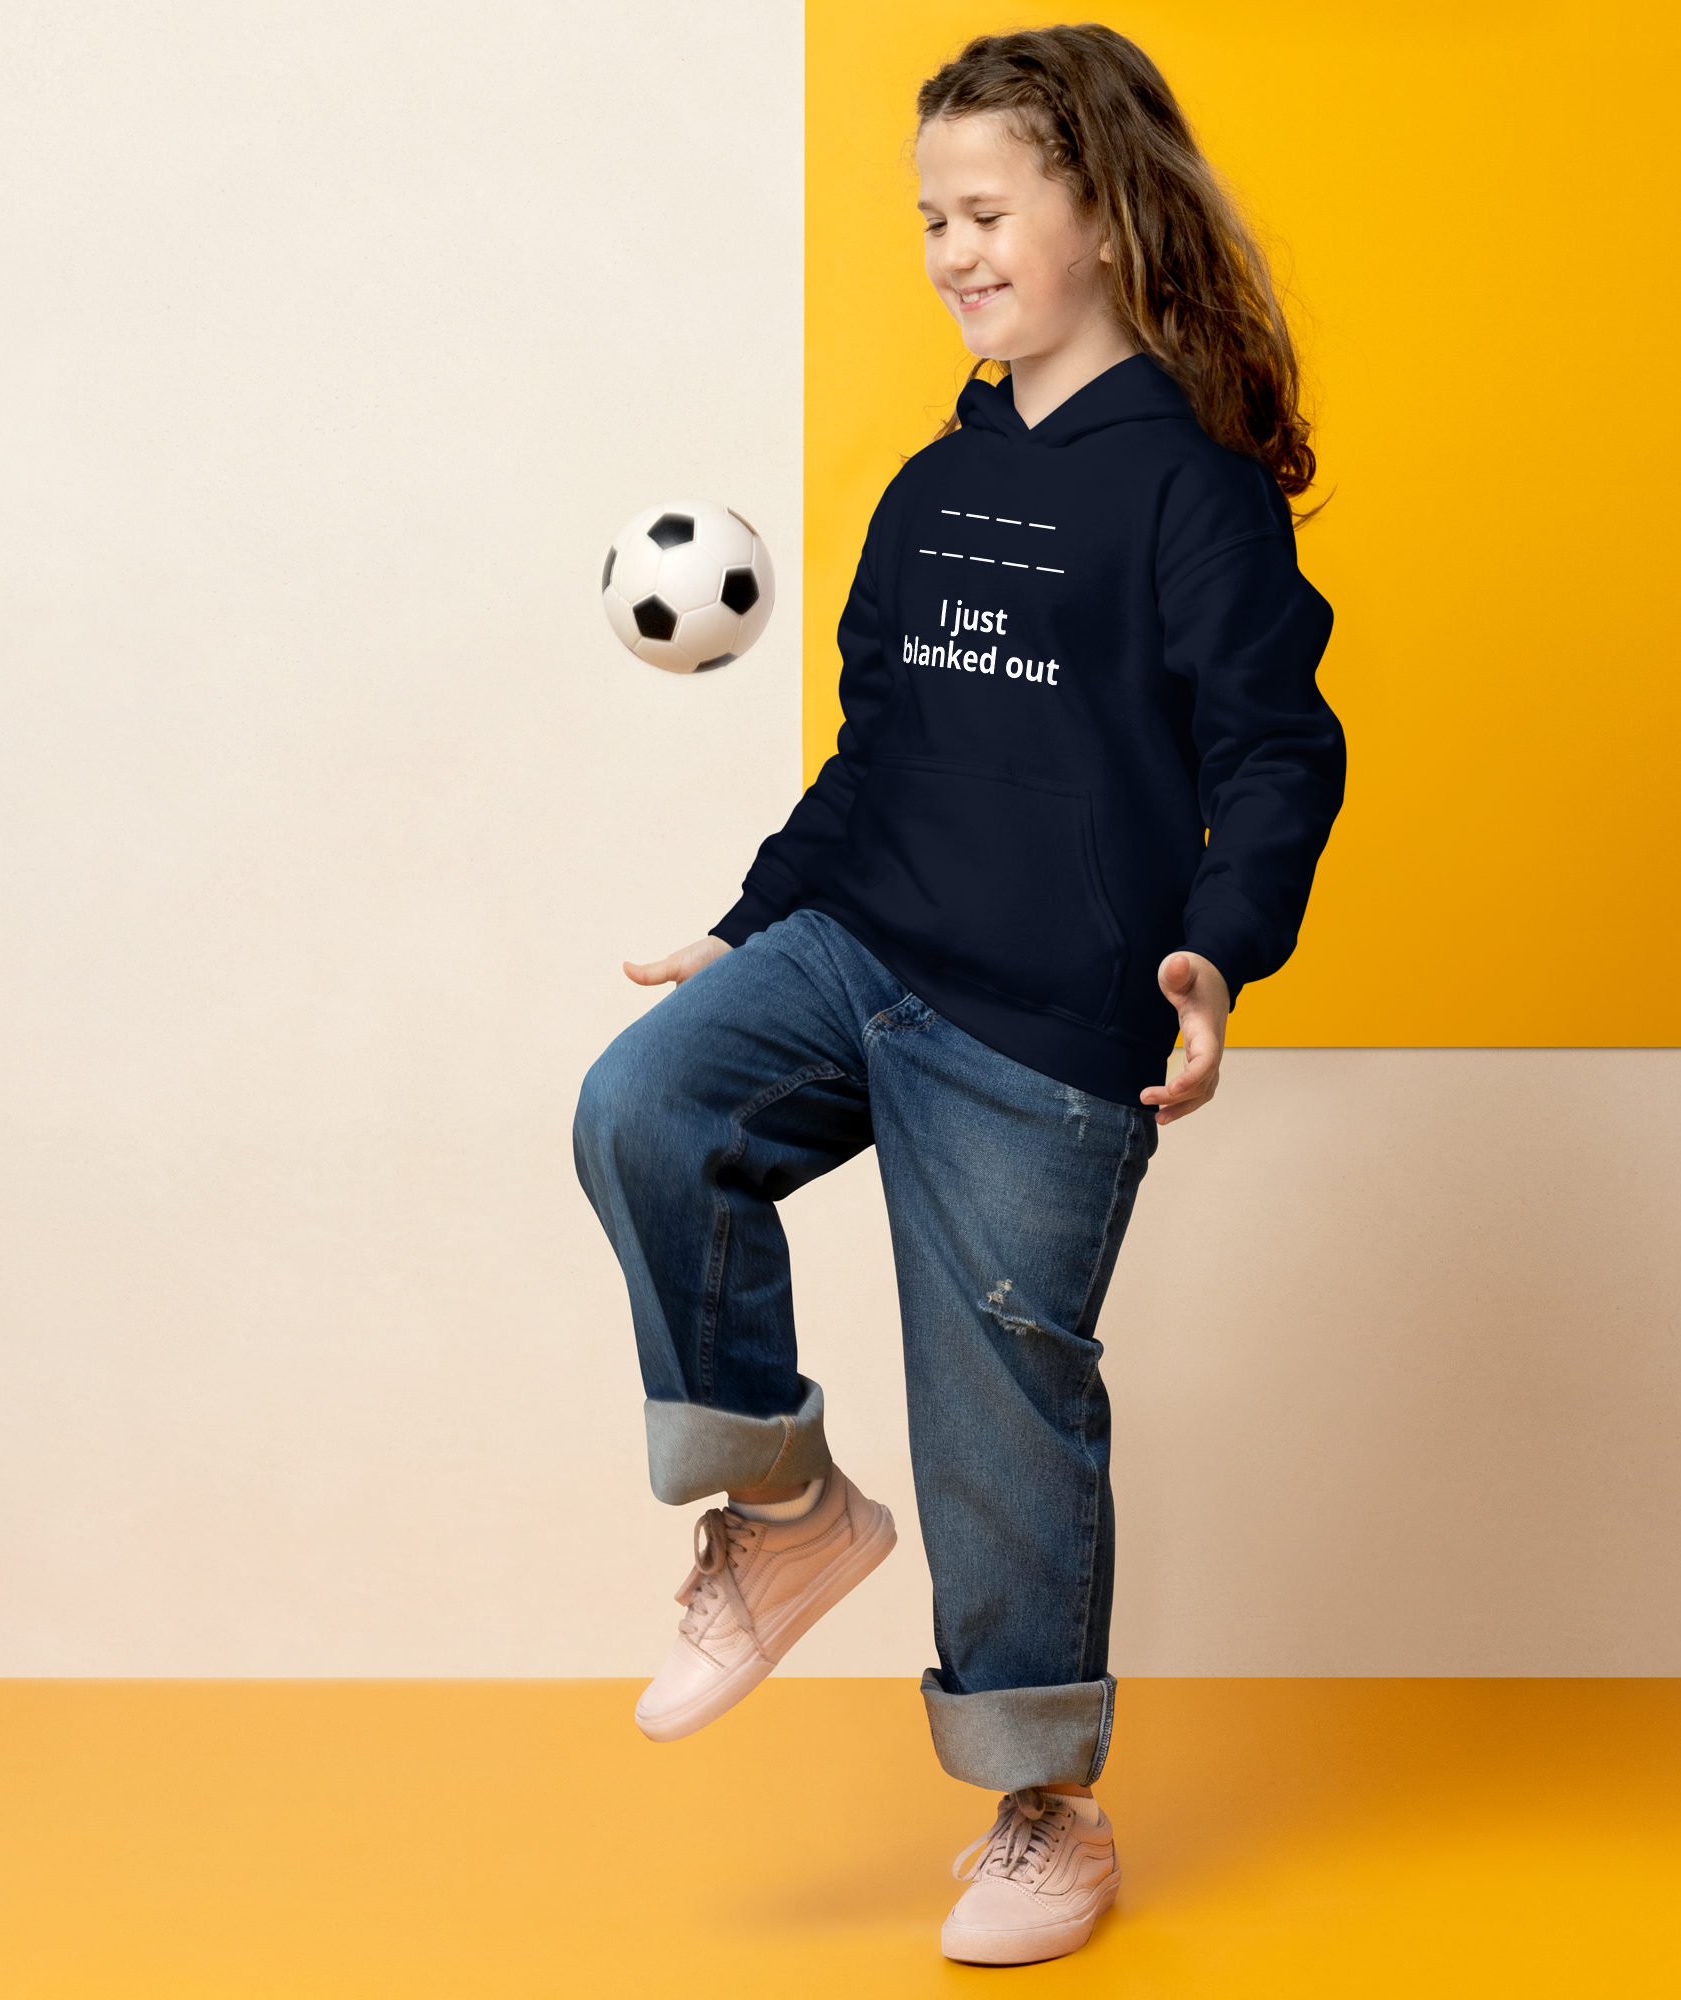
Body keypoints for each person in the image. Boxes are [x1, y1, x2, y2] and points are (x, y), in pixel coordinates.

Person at [574, 23, 1343, 1967]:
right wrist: (757, 924)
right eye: (931, 216)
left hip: (1042, 1026)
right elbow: (876, 755)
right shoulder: (931, 487)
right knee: (644, 1107)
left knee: (999, 1411)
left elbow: (1275, 746)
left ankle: (1042, 1813)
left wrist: (1215, 940)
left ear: (1102, 210)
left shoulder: (1191, 488)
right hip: (866, 952)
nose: (951, 247)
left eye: (987, 209)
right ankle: (782, 1511)